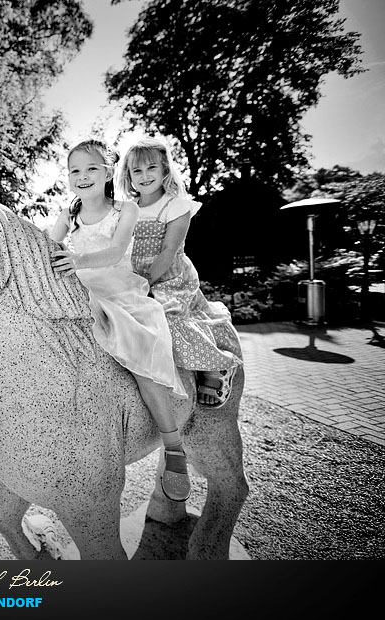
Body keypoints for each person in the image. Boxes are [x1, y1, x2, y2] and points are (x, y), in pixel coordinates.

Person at [51, 140, 191, 502]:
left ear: (109, 170)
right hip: (78, 295)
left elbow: (115, 252)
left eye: (92, 169)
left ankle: (173, 446)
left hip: (120, 294)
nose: (83, 177)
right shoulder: (66, 216)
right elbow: (46, 248)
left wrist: (76, 260)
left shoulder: (125, 210)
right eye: (75, 171)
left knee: (141, 354)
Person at [119, 137, 243, 408]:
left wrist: (146, 282)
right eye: (136, 171)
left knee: (167, 318)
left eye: (151, 168)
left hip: (168, 277)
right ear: (128, 176)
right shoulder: (128, 208)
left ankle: (217, 365)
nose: (144, 176)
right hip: (135, 276)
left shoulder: (175, 205)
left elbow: (169, 251)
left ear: (165, 169)